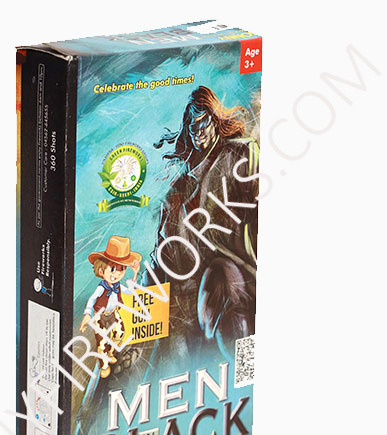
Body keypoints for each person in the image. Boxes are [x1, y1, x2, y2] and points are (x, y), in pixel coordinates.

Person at [149, 86, 260, 359]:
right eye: (192, 126)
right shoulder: (177, 193)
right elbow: (163, 256)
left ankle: (244, 369)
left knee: (222, 277)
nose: (198, 132)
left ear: (215, 120)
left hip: (235, 277)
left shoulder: (240, 154)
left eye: (203, 123)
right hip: (187, 302)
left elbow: (258, 211)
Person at [80, 235, 141, 378]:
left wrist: (135, 274)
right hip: (99, 316)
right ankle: (104, 365)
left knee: (120, 334)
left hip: (114, 313)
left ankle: (110, 352)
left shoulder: (118, 285)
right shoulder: (102, 287)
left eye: (122, 269)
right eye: (113, 268)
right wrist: (87, 314)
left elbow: (129, 291)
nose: (118, 273)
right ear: (101, 271)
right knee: (101, 342)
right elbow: (92, 299)